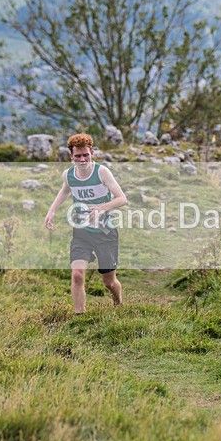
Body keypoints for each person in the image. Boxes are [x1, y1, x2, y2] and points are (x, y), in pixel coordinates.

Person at [45, 133, 128, 314]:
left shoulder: (101, 172)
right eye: (78, 156)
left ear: (92, 153)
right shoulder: (68, 175)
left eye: (85, 155)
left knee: (109, 282)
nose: (82, 159)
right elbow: (65, 191)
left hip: (105, 233)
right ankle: (80, 316)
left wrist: (101, 208)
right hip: (81, 232)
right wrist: (52, 211)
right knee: (77, 274)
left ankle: (118, 304)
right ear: (71, 156)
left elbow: (122, 199)